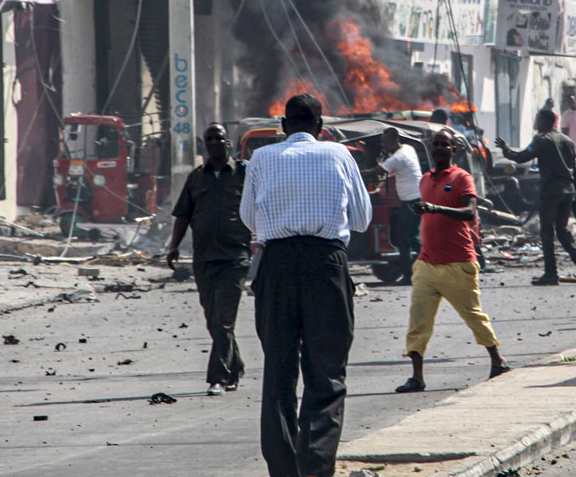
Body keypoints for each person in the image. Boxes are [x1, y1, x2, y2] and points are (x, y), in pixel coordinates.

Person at [240, 94, 372, 477]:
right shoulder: (339, 155)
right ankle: (315, 467)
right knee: (326, 373)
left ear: (283, 126)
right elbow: (362, 219)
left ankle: (283, 469)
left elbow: (249, 217)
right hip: (326, 264)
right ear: (321, 127)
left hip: (276, 266)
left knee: (278, 371)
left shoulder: (263, 158)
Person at [394, 129, 509, 393]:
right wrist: (423, 210)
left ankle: (497, 361)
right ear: (430, 148)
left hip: (458, 262)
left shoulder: (461, 178)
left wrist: (436, 209)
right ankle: (417, 378)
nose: (440, 148)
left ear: (452, 150)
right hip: (426, 264)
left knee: (473, 316)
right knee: (418, 321)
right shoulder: (425, 179)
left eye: (445, 144)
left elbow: (469, 211)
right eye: (436, 144)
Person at [167, 123, 251, 395]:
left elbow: (261, 206)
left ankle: (218, 377)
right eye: (209, 139)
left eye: (219, 138)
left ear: (229, 143)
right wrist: (173, 247)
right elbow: (183, 215)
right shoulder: (196, 178)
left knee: (225, 320)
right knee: (213, 319)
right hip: (203, 258)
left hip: (234, 257)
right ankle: (235, 365)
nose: (214, 142)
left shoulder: (244, 173)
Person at [496, 109, 576, 285]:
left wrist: (505, 149)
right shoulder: (567, 140)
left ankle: (551, 273)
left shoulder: (542, 140)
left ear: (545, 122)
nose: (535, 122)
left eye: (537, 119)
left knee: (547, 232)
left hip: (551, 192)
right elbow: (574, 169)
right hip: (568, 190)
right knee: (561, 231)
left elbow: (521, 157)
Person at [361, 127, 423, 283]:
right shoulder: (408, 148)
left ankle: (430, 267)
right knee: (405, 239)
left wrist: (353, 172)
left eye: (385, 141)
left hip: (411, 201)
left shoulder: (398, 158)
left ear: (395, 139)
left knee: (410, 239)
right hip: (411, 199)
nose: (383, 145)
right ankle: (411, 273)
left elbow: (374, 172)